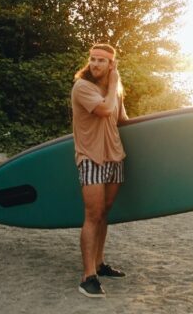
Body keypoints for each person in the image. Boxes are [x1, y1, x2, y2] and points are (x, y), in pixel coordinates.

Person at [71, 43, 129, 298]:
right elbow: (105, 111)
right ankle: (88, 276)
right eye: (92, 59)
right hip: (92, 158)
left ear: (111, 63)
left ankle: (100, 263)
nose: (95, 64)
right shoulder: (82, 87)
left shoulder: (114, 90)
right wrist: (115, 81)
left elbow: (123, 120)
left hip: (114, 156)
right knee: (92, 215)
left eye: (101, 60)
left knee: (105, 212)